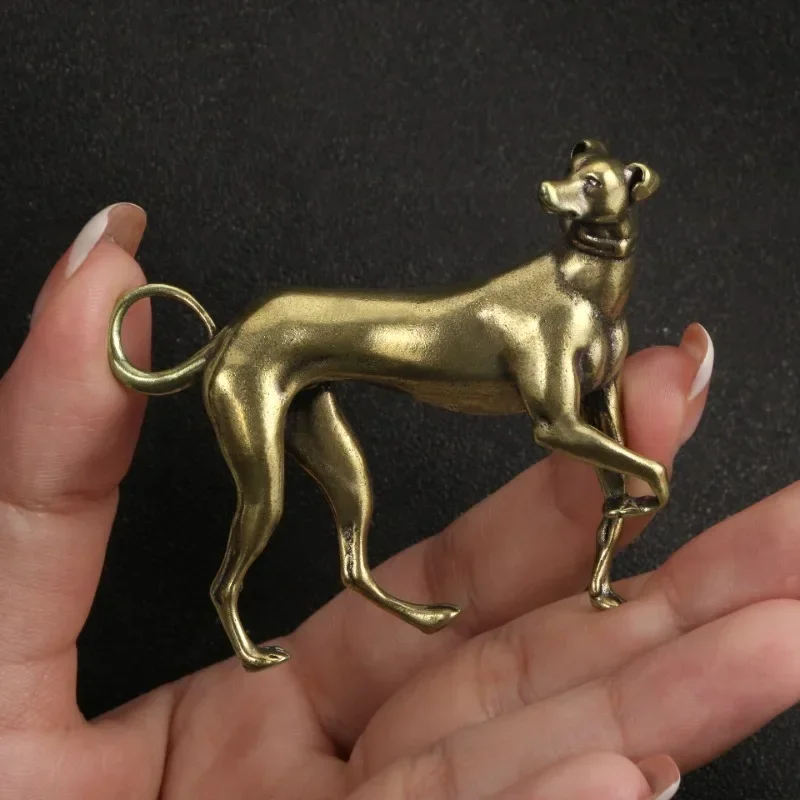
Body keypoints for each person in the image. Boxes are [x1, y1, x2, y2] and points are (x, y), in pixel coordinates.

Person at [4, 202, 798, 800]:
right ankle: (233, 608)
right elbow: (555, 427)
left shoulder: (582, 319)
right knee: (265, 505)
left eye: (590, 190)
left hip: (300, 349)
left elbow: (585, 415)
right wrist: (645, 470)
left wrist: (626, 469)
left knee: (351, 487)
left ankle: (373, 583)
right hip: (269, 352)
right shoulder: (544, 313)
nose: (563, 197)